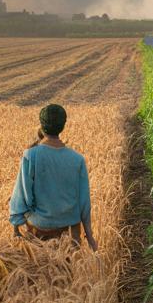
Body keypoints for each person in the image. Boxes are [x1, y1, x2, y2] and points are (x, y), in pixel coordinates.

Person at [9, 104, 97, 250]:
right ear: (63, 126)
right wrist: (90, 237)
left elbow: (22, 196)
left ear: (42, 126)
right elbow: (84, 203)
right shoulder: (77, 159)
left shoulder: (31, 155)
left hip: (39, 229)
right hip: (70, 230)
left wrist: (16, 227)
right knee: (69, 271)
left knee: (38, 270)